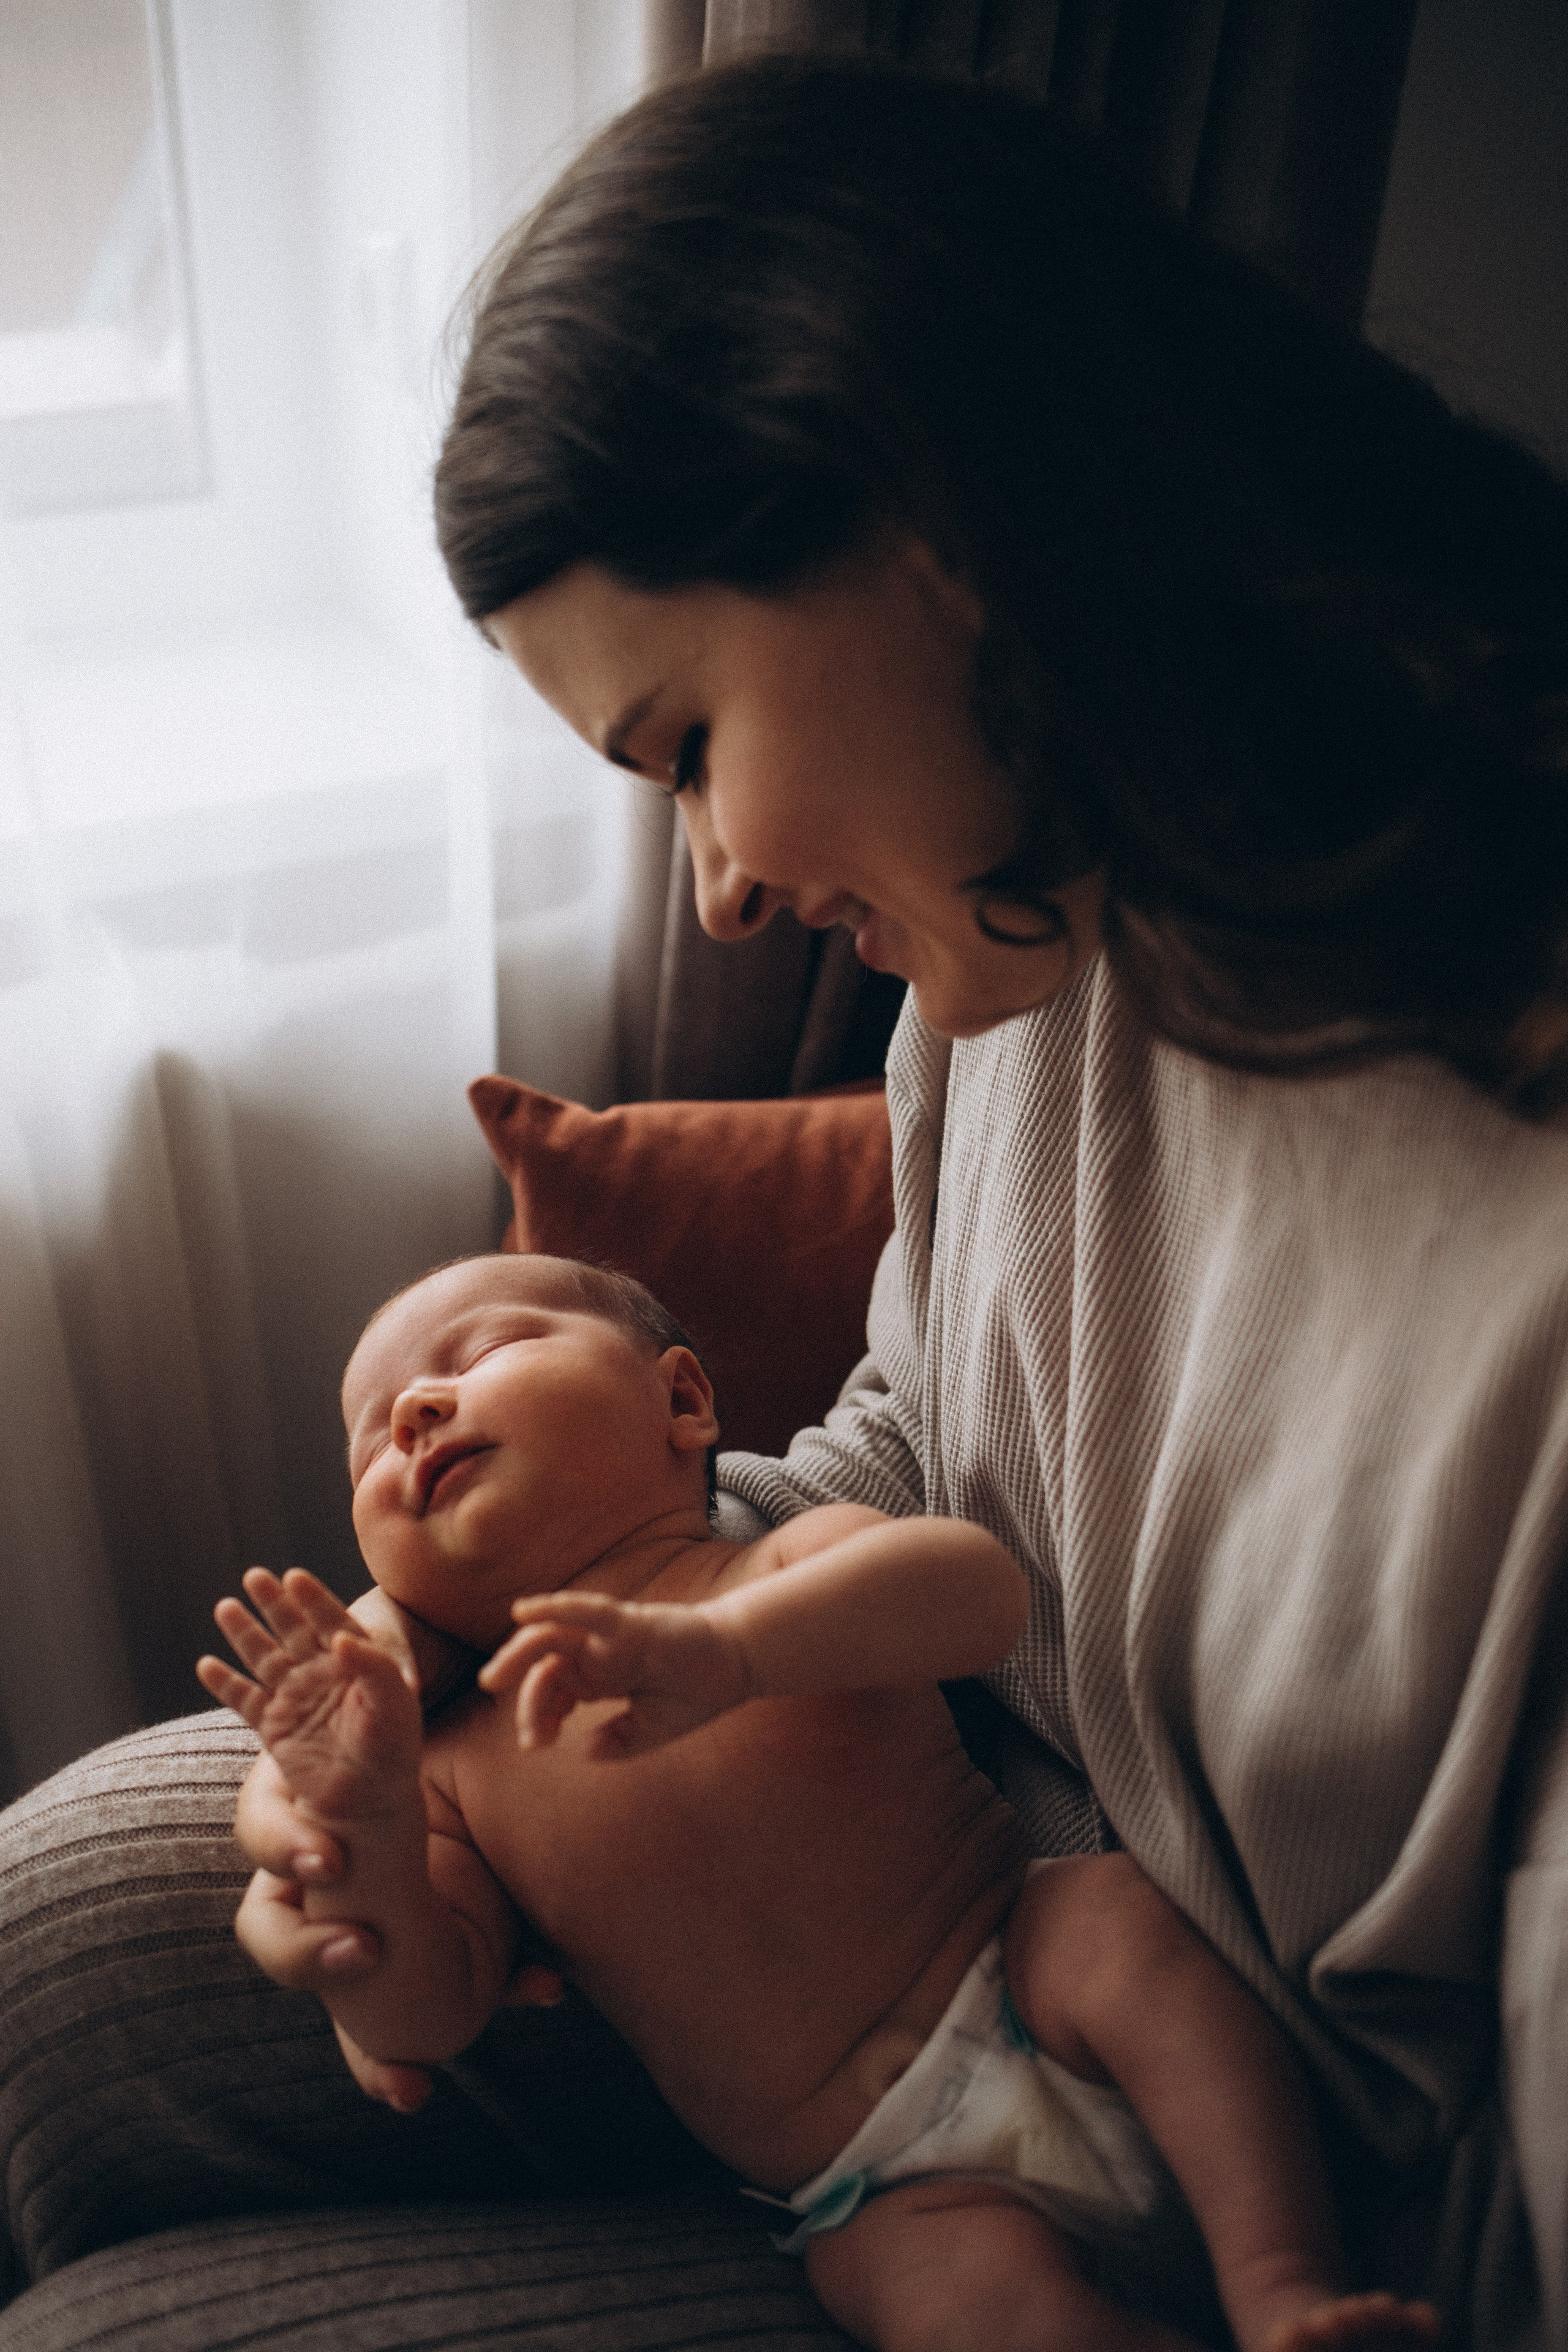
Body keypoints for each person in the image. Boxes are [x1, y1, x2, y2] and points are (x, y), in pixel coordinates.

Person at [4, 50, 1566, 2349]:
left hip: (1292, 2130)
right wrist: (434, 1777)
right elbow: (923, 1452)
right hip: (866, 1894)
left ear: (938, 523)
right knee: (47, 1954)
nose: (722, 895)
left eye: (690, 750)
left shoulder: (1501, 1225)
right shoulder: (1005, 978)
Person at [200, 1248, 1442, 2352]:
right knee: (945, 2307)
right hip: (883, 2187)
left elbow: (974, 1598)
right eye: (371, 1438)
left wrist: (730, 1651)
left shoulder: (768, 1568)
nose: (416, 1410)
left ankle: (1280, 2282)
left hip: (1020, 1972)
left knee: (1116, 1920)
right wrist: (359, 1852)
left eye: (492, 1350)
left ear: (680, 1402)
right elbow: (428, 2015)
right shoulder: (449, 1765)